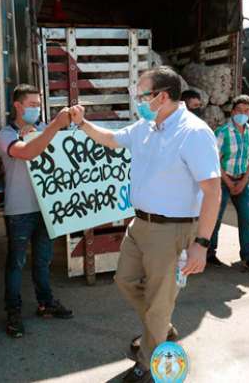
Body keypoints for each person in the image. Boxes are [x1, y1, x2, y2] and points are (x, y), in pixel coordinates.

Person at [69, 66, 221, 382]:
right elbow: (111, 139)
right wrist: (82, 123)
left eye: (142, 94)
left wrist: (201, 244)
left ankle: (150, 363)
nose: (137, 100)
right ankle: (161, 329)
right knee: (125, 280)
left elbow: (212, 191)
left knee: (159, 300)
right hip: (139, 226)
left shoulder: (193, 133)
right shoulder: (147, 126)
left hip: (173, 231)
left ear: (162, 96)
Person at [0, 84, 73, 339]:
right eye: (31, 105)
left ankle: (46, 302)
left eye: (38, 105)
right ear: (17, 105)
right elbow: (26, 152)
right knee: (16, 263)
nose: (36, 109)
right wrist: (47, 130)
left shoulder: (43, 130)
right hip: (19, 209)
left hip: (46, 208)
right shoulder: (6, 134)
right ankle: (13, 312)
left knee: (43, 260)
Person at [208, 95, 249, 273]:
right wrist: (229, 182)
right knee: (216, 218)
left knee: (246, 219)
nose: (243, 114)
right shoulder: (222, 132)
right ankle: (209, 253)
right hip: (224, 181)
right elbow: (215, 160)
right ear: (233, 112)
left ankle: (247, 256)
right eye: (239, 110)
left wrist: (244, 180)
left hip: (242, 181)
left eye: (247, 111)